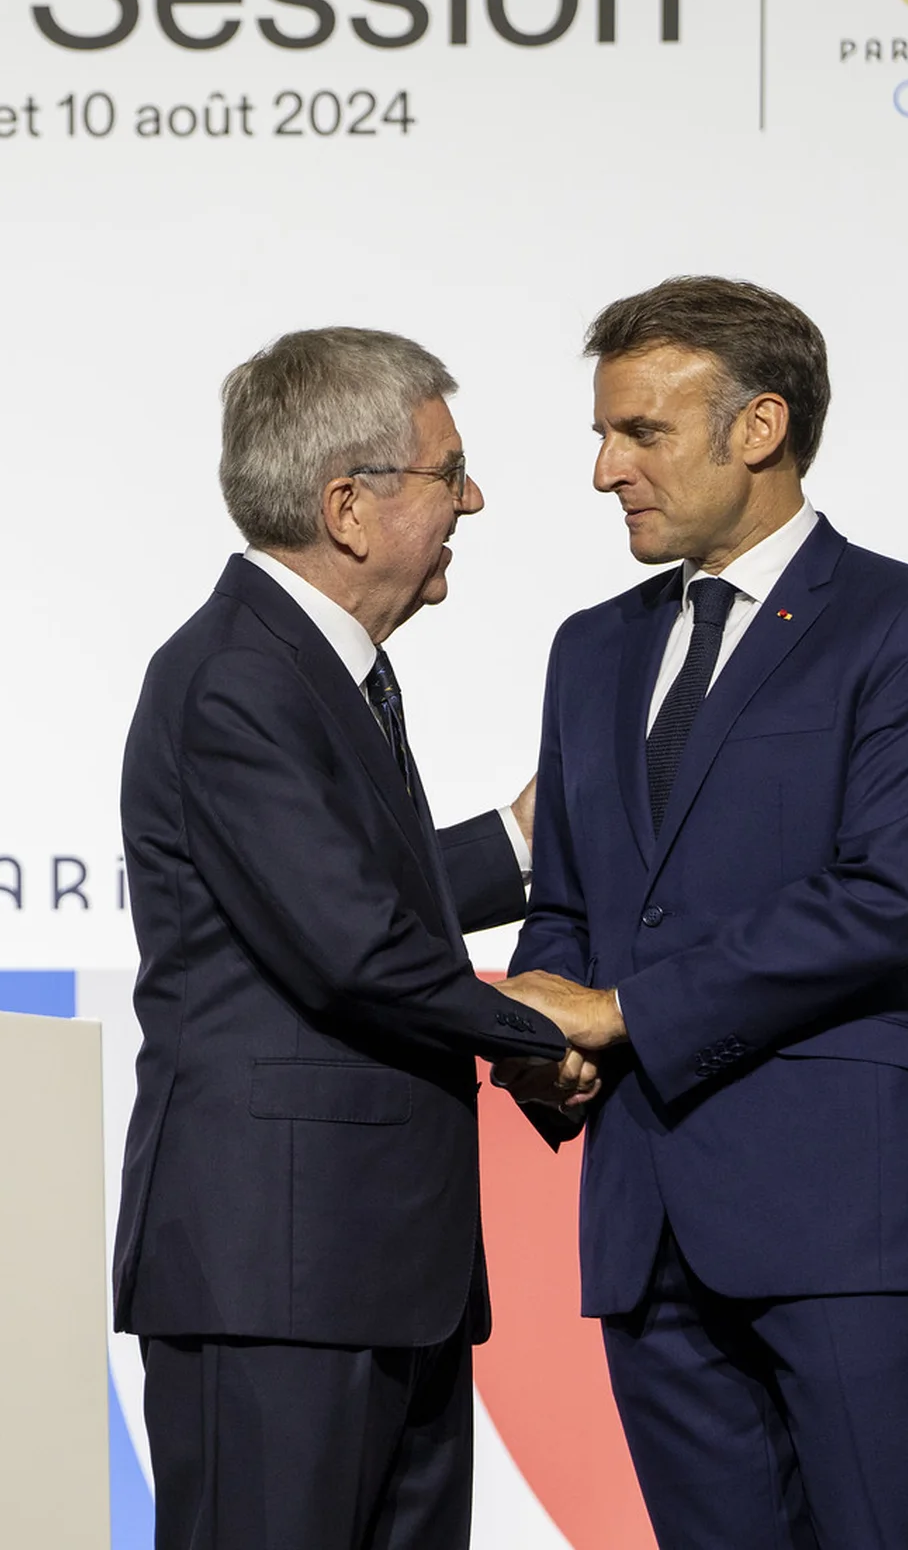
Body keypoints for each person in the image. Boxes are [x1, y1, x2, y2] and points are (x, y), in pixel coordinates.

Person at [500, 278, 908, 1550]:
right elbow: (568, 900)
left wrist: (622, 1011)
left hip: (850, 1223)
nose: (606, 471)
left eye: (642, 433)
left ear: (760, 428)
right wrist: (545, 1040)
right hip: (646, 1227)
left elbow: (889, 897)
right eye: (602, 435)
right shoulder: (588, 648)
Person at [113, 327, 590, 1550]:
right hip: (278, 1275)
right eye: (449, 472)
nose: (472, 501)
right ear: (349, 508)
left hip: (381, 1269)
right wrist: (546, 1028)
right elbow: (352, 947)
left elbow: (337, 890)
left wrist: (521, 841)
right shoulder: (237, 677)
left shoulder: (320, 670)